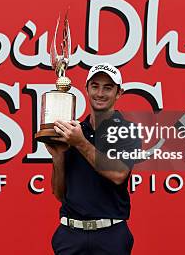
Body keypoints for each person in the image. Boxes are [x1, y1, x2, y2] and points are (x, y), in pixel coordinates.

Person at [48, 62, 141, 255]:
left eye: (108, 88)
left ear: (119, 93)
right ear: (86, 89)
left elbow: (118, 174)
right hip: (70, 235)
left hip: (110, 235)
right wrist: (57, 158)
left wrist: (80, 143)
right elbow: (59, 193)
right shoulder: (74, 131)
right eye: (95, 86)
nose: (100, 93)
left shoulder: (127, 131)